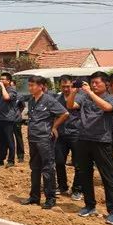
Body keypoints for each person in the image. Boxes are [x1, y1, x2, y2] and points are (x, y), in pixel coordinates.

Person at [67, 71, 113, 225]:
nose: (94, 85)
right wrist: (74, 91)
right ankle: (90, 205)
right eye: (92, 83)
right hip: (83, 139)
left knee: (108, 177)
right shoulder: (84, 97)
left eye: (97, 82)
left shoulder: (112, 98)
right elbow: (70, 105)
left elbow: (106, 108)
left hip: (102, 141)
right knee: (84, 174)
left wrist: (90, 92)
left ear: (107, 84)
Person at [20, 76, 68, 209]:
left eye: (33, 85)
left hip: (44, 139)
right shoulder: (31, 100)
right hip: (33, 138)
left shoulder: (49, 100)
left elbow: (64, 114)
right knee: (34, 168)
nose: (30, 88)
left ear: (41, 86)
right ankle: (34, 197)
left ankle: (50, 198)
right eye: (29, 85)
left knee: (47, 168)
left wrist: (54, 127)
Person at [55, 76, 84, 201]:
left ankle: (77, 189)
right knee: (59, 161)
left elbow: (72, 106)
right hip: (61, 135)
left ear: (72, 85)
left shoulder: (80, 97)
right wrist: (54, 128)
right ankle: (62, 186)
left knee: (79, 164)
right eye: (63, 86)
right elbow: (55, 115)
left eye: (68, 86)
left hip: (76, 134)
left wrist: (74, 93)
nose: (66, 89)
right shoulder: (57, 99)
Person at [0, 72, 19, 168]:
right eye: (0, 79)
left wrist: (3, 87)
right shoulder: (0, 91)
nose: (1, 81)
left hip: (8, 119)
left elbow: (7, 97)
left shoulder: (12, 90)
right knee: (0, 141)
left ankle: (11, 160)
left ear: (8, 81)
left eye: (3, 79)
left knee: (9, 140)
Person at [11, 80, 26, 163]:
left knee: (18, 138)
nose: (11, 87)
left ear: (15, 86)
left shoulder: (19, 96)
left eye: (12, 85)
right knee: (9, 139)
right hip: (7, 120)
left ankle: (20, 156)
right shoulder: (5, 95)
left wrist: (18, 113)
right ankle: (10, 156)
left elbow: (22, 106)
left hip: (16, 120)